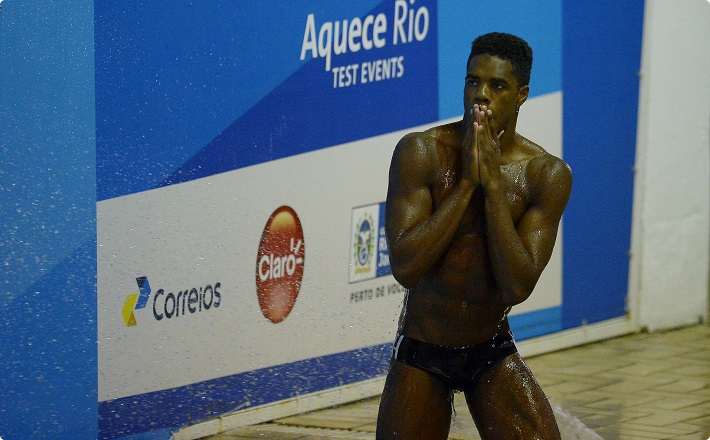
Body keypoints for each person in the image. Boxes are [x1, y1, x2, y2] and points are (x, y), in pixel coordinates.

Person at [376, 32, 571, 439]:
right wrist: (467, 184)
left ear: (521, 95)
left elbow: (517, 286)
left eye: (497, 86)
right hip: (422, 350)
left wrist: (493, 186)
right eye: (473, 82)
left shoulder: (544, 174)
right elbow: (406, 268)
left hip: (490, 348)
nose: (481, 95)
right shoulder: (421, 152)